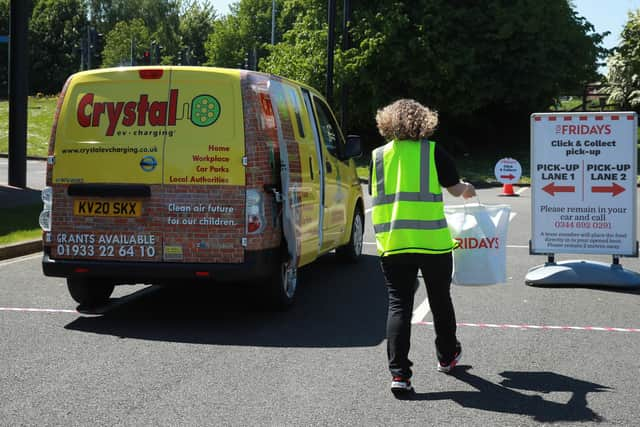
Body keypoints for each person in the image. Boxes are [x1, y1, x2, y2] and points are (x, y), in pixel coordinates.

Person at [370, 99, 476, 395]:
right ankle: (446, 356)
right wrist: (468, 189)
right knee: (440, 300)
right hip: (432, 243)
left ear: (387, 122)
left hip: (394, 243)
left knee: (399, 305)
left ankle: (400, 375)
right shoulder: (432, 151)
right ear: (425, 121)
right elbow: (455, 189)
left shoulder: (378, 156)